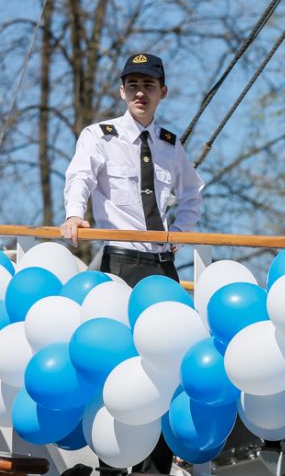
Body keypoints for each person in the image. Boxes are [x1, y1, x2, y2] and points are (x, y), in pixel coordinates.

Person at [60, 53, 204, 474]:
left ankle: (158, 466)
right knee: (119, 365)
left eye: (149, 85)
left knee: (169, 363)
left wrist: (183, 230)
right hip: (120, 265)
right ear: (123, 91)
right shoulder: (99, 136)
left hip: (163, 268)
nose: (141, 92)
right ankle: (113, 463)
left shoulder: (171, 145)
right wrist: (73, 213)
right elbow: (79, 177)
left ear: (163, 92)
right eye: (133, 85)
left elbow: (193, 193)